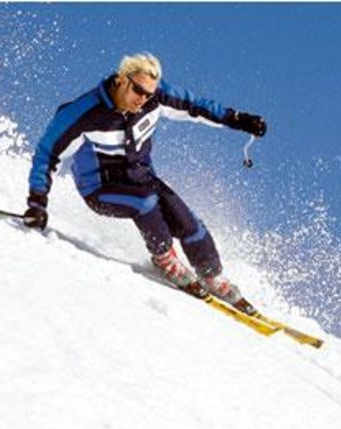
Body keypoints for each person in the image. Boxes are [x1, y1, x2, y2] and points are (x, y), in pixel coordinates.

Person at [23, 53, 266, 315]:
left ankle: (213, 276)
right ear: (121, 80)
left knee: (190, 224)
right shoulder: (85, 113)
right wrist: (37, 203)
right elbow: (47, 153)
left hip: (144, 180)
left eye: (149, 94)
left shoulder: (155, 97)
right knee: (146, 205)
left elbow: (197, 106)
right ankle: (165, 259)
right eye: (138, 90)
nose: (143, 98)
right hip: (102, 190)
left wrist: (237, 119)